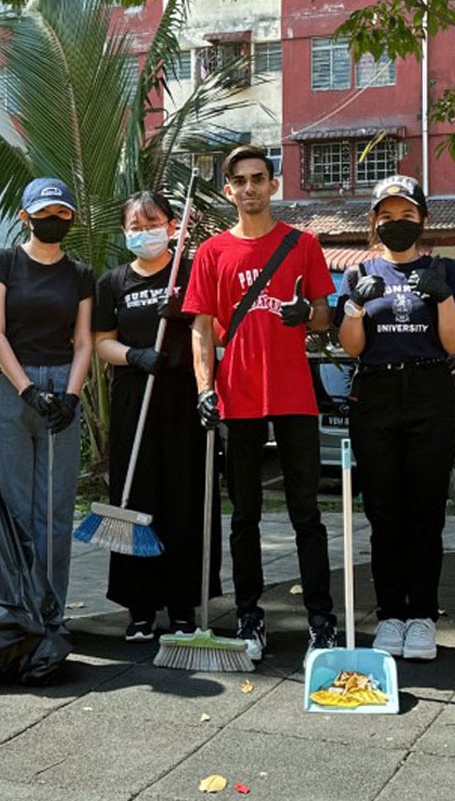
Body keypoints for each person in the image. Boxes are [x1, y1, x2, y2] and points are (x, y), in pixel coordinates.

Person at [183, 144, 337, 660]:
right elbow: (201, 329)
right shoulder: (211, 253)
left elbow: (322, 316)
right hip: (239, 396)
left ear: (274, 185)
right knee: (244, 514)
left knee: (306, 513)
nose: (250, 188)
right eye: (240, 181)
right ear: (229, 191)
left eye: (258, 178)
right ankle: (250, 616)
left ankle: (322, 620)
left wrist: (305, 316)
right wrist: (206, 388)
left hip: (294, 394)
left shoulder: (303, 244)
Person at [335, 175, 455, 662]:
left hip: (430, 391)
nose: (397, 224)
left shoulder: (444, 270)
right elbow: (352, 347)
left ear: (423, 220)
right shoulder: (359, 273)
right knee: (384, 511)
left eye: (407, 215)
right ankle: (391, 613)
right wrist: (353, 307)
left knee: (425, 511)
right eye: (387, 217)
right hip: (376, 392)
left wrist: (444, 297)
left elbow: (454, 343)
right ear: (374, 222)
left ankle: (423, 615)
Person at [92, 190, 217, 641]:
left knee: (184, 499)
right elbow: (101, 341)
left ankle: (183, 605)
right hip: (135, 397)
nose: (145, 233)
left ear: (171, 226)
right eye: (135, 226)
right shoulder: (113, 282)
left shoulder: (190, 273)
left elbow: (216, 329)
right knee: (136, 499)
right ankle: (140, 608)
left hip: (184, 396)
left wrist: (183, 312)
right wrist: (134, 355)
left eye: (153, 223)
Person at [0, 178, 93, 607]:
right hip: (11, 385)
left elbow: (83, 342)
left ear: (72, 218)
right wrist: (26, 389)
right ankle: (11, 608)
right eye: (43, 213)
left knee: (55, 509)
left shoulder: (79, 274)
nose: (52, 220)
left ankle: (51, 610)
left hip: (63, 382)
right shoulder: (2, 262)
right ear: (25, 216)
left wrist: (72, 395)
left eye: (61, 213)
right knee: (12, 505)